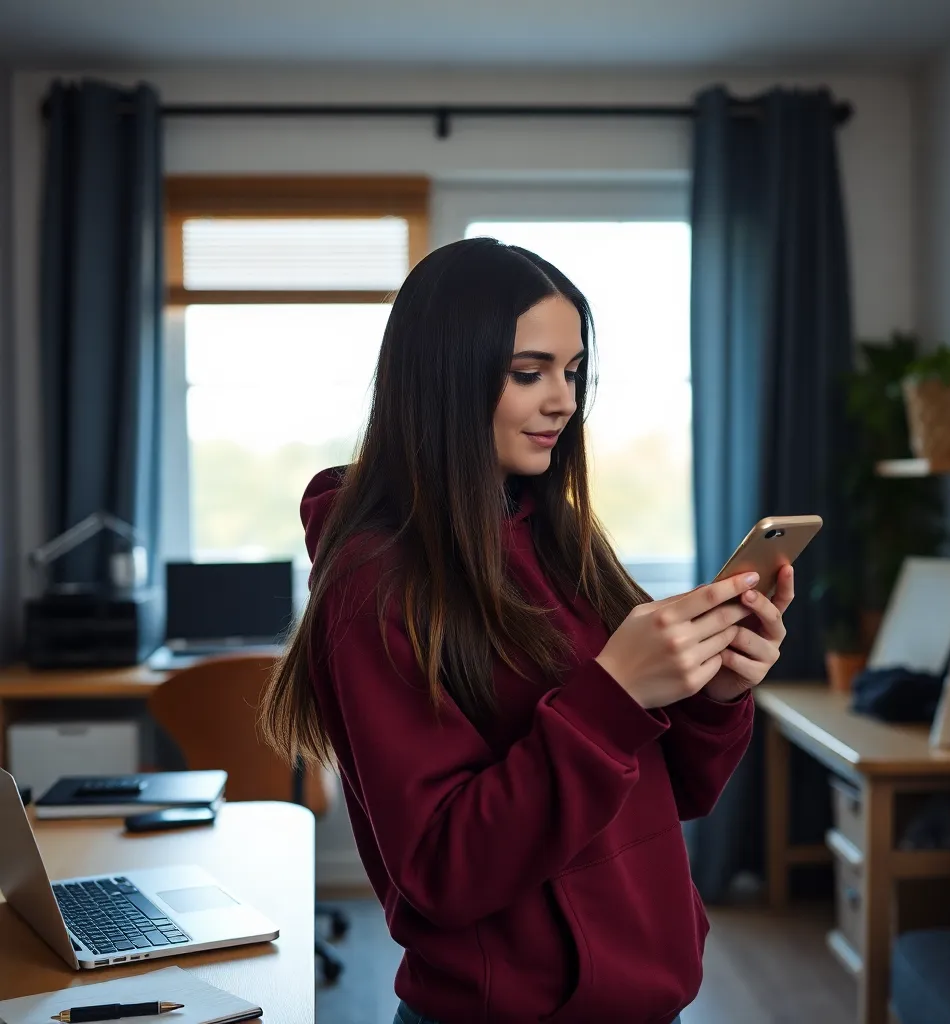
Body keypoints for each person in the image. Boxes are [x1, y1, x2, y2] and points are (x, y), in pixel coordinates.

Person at [260, 237, 794, 1024]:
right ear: (444, 376)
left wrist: (714, 694)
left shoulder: (559, 535)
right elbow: (440, 868)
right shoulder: (374, 581)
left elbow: (673, 792)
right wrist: (614, 695)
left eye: (573, 372)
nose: (564, 401)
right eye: (528, 372)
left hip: (649, 1000)